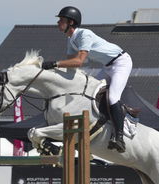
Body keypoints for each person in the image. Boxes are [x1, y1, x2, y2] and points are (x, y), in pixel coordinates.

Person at [42, 6, 133, 153]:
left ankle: (119, 137)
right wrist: (52, 73)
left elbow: (78, 62)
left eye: (61, 20)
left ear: (71, 22)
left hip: (121, 63)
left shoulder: (84, 34)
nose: (58, 23)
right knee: (90, 94)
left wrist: (54, 63)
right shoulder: (71, 40)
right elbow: (71, 69)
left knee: (113, 98)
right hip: (107, 67)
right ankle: (101, 123)